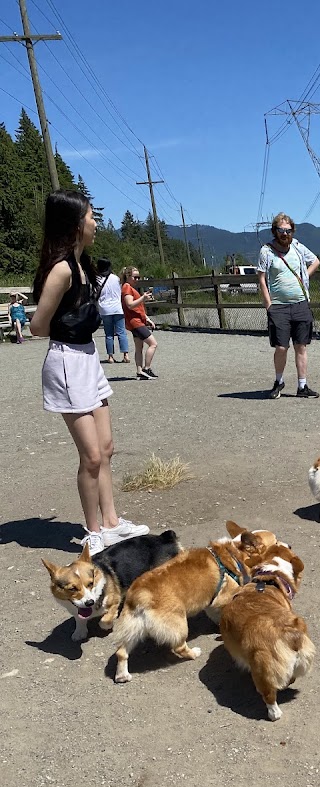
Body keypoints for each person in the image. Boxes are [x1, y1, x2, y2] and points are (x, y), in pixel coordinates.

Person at [31, 190, 149, 555]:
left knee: (107, 449)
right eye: (91, 216)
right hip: (67, 361)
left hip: (88, 358)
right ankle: (93, 531)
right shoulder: (63, 269)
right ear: (74, 223)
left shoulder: (83, 266)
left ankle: (112, 522)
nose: (95, 223)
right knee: (92, 456)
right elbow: (37, 326)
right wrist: (68, 328)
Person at [257, 213, 320, 399]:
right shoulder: (266, 251)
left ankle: (302, 386)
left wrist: (304, 277)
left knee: (301, 346)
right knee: (281, 347)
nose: (285, 233)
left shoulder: (298, 247)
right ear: (275, 231)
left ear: (292, 231)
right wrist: (268, 304)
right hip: (278, 306)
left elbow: (315, 261)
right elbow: (261, 278)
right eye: (281, 230)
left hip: (300, 303)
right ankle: (279, 381)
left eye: (288, 230)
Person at [120, 265, 158, 380]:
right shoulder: (127, 287)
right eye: (135, 277)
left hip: (136, 320)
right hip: (135, 322)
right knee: (153, 344)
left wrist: (147, 318)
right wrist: (143, 297)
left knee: (139, 347)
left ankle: (139, 371)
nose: (137, 280)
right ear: (128, 276)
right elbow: (130, 305)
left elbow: (138, 307)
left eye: (138, 277)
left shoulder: (130, 287)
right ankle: (146, 368)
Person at [95, 257, 130, 364]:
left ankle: (110, 356)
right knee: (121, 332)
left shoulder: (97, 279)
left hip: (105, 309)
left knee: (109, 334)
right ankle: (126, 355)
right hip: (117, 308)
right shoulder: (115, 278)